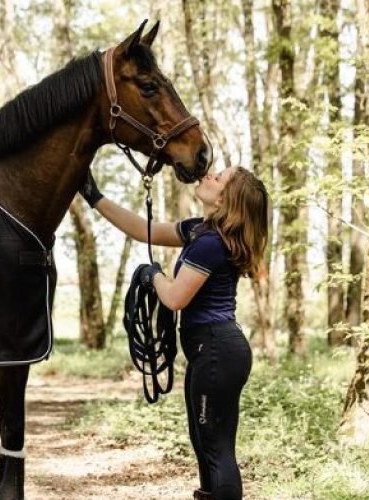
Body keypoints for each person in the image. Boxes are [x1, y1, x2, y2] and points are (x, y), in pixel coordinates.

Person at [80, 166, 269, 500]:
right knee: (205, 443)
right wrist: (94, 197)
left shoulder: (210, 243)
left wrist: (152, 275)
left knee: (215, 448)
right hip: (212, 352)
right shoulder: (200, 230)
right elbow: (144, 230)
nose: (208, 175)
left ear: (226, 198)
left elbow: (175, 297)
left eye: (218, 177)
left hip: (215, 352)